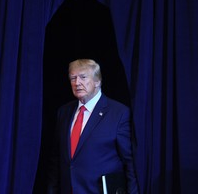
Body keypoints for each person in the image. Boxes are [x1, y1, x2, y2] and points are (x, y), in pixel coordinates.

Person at [47, 59, 139, 194]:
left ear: (97, 81)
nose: (77, 83)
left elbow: (129, 162)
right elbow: (56, 159)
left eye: (83, 77)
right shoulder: (64, 112)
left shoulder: (118, 113)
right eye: (73, 78)